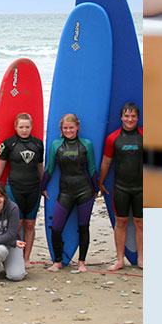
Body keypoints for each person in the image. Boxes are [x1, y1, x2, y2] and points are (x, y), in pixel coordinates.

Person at [42, 114, 97, 273]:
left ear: (77, 127)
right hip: (65, 191)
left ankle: (81, 262)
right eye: (65, 128)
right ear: (61, 128)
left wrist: (96, 189)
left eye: (71, 127)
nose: (68, 130)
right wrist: (43, 187)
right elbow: (50, 168)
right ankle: (57, 261)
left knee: (83, 227)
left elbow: (92, 168)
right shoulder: (55, 145)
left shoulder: (86, 144)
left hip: (84, 190)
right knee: (56, 227)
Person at [0, 113, 44, 266]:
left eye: (27, 127)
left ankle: (26, 258)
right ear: (15, 127)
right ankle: (16, 256)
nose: (24, 130)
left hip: (34, 188)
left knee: (30, 224)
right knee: (17, 224)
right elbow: (0, 167)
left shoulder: (38, 144)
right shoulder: (8, 144)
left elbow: (40, 167)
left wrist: (44, 185)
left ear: (31, 127)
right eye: (21, 127)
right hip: (14, 188)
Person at [98, 102, 143, 270]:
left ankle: (141, 258)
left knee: (140, 222)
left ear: (137, 117)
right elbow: (106, 161)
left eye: (133, 116)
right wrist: (100, 183)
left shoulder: (145, 135)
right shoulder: (113, 138)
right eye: (126, 116)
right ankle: (119, 259)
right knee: (121, 222)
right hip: (121, 187)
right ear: (121, 117)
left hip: (142, 188)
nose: (129, 119)